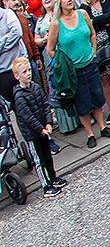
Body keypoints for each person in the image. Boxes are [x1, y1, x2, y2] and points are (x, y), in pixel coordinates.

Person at [46, 0, 110, 149]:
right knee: (82, 102)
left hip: (90, 64)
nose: (69, 0)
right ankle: (90, 134)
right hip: (73, 71)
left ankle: (102, 126)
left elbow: (92, 33)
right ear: (60, 3)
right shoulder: (56, 24)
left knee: (96, 96)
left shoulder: (83, 14)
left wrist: (93, 50)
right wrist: (62, 64)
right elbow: (50, 49)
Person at [12, 57, 66, 198]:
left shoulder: (35, 87)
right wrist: (41, 129)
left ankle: (53, 178)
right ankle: (45, 185)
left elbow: (45, 105)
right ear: (17, 76)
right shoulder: (19, 96)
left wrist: (48, 122)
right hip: (33, 134)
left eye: (29, 70)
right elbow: (27, 117)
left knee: (47, 156)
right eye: (24, 72)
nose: (28, 73)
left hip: (42, 129)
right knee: (39, 160)